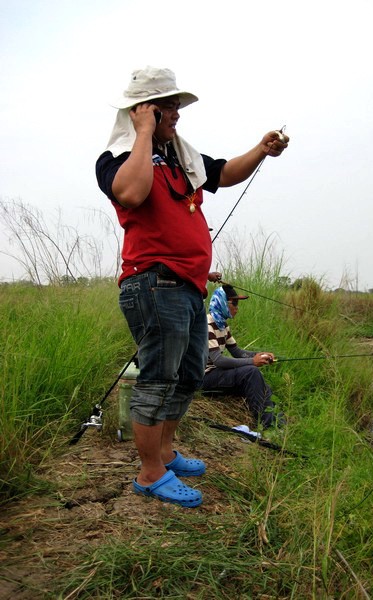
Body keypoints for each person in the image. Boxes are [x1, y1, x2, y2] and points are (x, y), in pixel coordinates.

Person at [95, 65, 289, 508]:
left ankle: (165, 453)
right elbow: (131, 193)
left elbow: (222, 174)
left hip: (187, 287)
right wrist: (143, 132)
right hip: (153, 285)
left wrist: (261, 149)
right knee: (158, 380)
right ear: (142, 111)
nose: (177, 114)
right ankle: (149, 474)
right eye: (167, 107)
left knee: (186, 378)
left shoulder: (182, 156)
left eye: (177, 106)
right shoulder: (120, 156)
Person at [202, 284, 283, 429]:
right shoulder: (206, 324)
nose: (237, 308)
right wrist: (252, 361)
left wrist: (261, 355)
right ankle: (268, 425)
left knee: (261, 384)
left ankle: (279, 422)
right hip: (203, 378)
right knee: (251, 372)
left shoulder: (222, 325)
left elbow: (237, 352)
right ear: (222, 303)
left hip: (215, 373)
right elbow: (218, 360)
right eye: (235, 303)